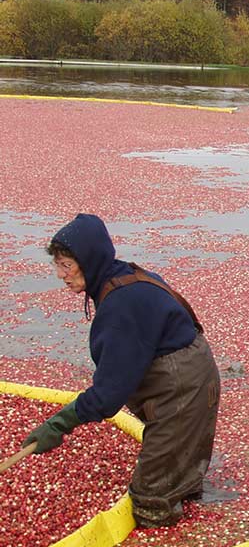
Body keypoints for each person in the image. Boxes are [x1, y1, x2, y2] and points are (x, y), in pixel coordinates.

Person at [21, 214, 221, 528]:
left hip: (183, 389)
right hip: (194, 376)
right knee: (180, 477)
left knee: (150, 501)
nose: (60, 275)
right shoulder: (122, 275)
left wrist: (58, 425)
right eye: (57, 265)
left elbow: (108, 394)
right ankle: (192, 512)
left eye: (66, 265)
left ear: (89, 259)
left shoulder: (120, 305)